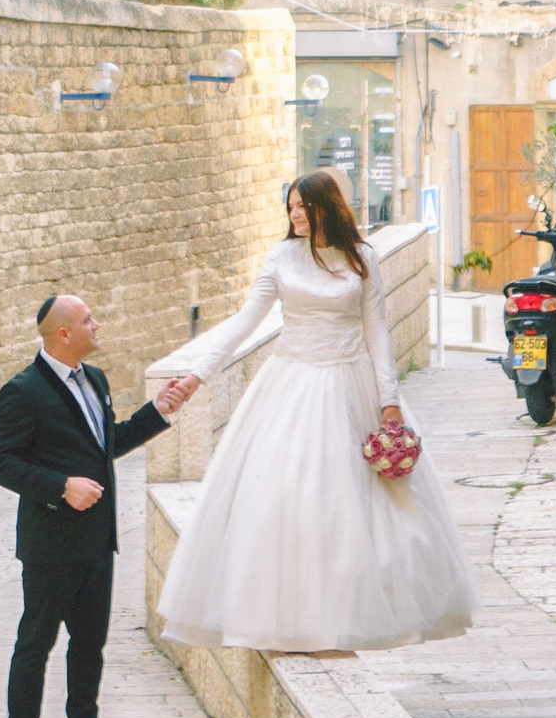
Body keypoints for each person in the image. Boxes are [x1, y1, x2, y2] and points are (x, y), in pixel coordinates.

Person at [150, 169, 477, 655]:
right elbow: (244, 322)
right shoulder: (281, 256)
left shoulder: (362, 258)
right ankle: (288, 618)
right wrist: (198, 375)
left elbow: (378, 332)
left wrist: (389, 402)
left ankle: (341, 616)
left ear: (328, 207)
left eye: (303, 207)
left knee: (352, 509)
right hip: (291, 384)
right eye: (290, 208)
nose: (296, 215)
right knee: (291, 499)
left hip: (352, 386)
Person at [0, 289, 197, 718]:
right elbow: (0, 462)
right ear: (63, 333)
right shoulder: (23, 391)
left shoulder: (95, 380)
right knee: (35, 646)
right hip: (50, 544)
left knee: (89, 646)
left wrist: (157, 411)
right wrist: (60, 487)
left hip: (98, 543)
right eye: (88, 319)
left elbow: (106, 446)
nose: (97, 325)